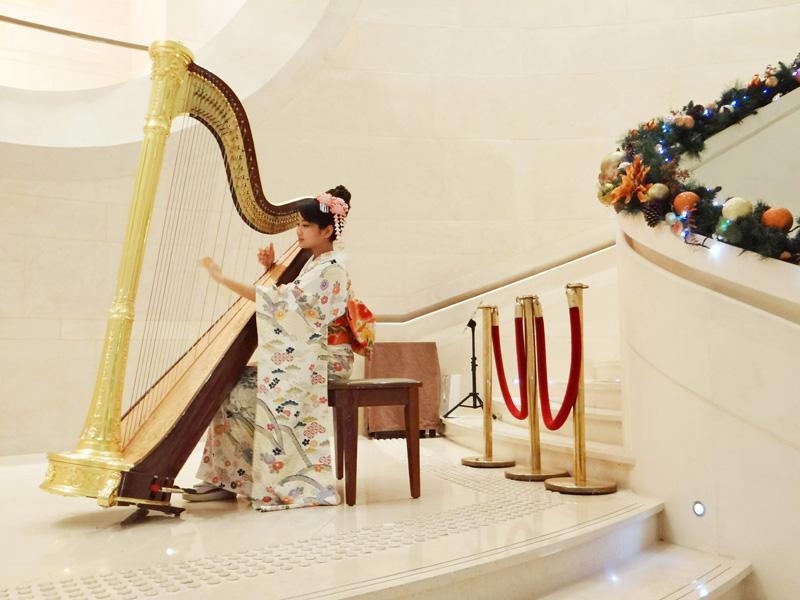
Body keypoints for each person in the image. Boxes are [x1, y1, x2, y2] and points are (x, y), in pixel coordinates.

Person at [188, 185, 356, 511]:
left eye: (306, 226)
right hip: (311, 350)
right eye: (299, 225)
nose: (299, 231)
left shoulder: (332, 266)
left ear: (326, 230)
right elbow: (296, 294)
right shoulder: (320, 262)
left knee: (237, 387)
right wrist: (273, 270)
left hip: (327, 358)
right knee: (233, 385)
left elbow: (282, 300)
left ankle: (239, 477)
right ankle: (230, 476)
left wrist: (223, 279)